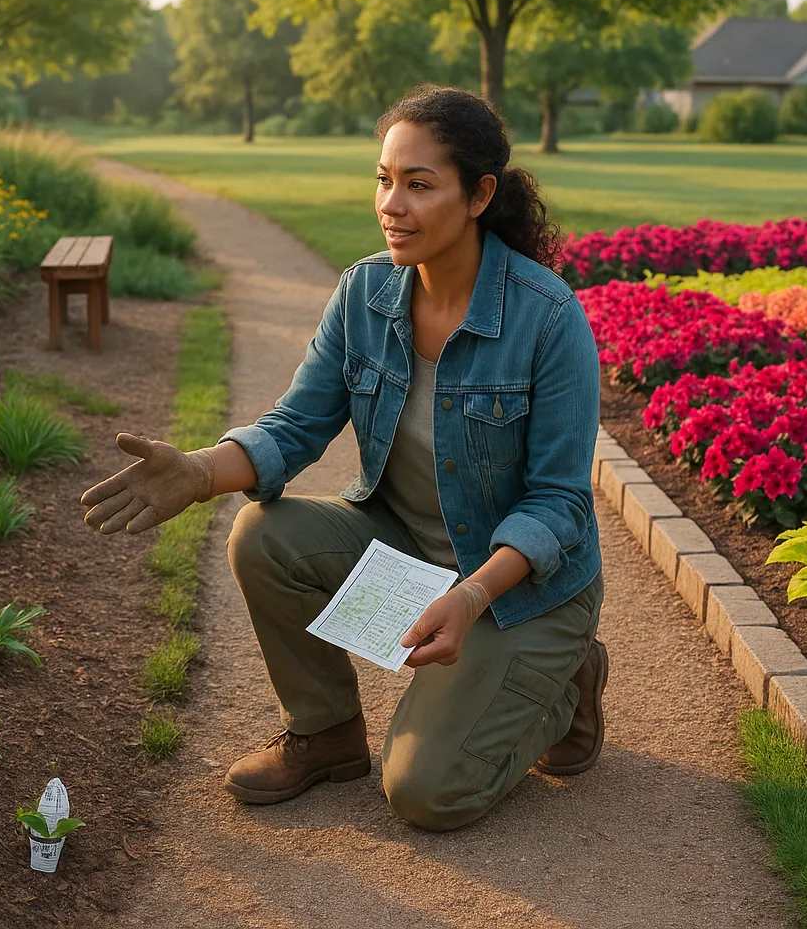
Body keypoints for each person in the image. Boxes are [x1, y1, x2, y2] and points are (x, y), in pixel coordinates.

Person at [80, 84, 606, 832]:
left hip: (518, 589)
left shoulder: (548, 317)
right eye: (384, 180)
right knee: (263, 534)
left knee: (427, 794)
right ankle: (325, 733)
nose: (392, 203)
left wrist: (471, 597)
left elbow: (559, 504)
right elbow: (296, 427)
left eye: (419, 184)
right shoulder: (365, 293)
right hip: (414, 553)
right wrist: (200, 471)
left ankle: (565, 682)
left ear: (480, 194)